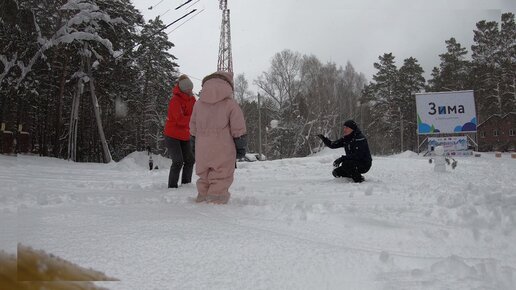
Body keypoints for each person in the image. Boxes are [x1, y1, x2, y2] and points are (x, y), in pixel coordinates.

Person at [189, 71, 247, 204]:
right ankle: (216, 200)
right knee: (222, 174)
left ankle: (202, 196)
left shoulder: (198, 104)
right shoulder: (230, 104)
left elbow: (192, 126)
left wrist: (193, 144)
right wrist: (240, 146)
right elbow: (238, 128)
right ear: (228, 85)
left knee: (204, 175)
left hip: (202, 146)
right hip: (223, 147)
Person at [163, 75, 196, 188]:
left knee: (190, 160)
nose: (189, 90)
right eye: (187, 88)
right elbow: (179, 120)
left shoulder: (192, 99)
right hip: (172, 136)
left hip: (185, 136)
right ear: (181, 88)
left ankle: (186, 185)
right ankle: (172, 187)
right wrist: (193, 118)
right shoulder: (175, 101)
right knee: (178, 161)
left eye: (190, 88)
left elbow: (197, 114)